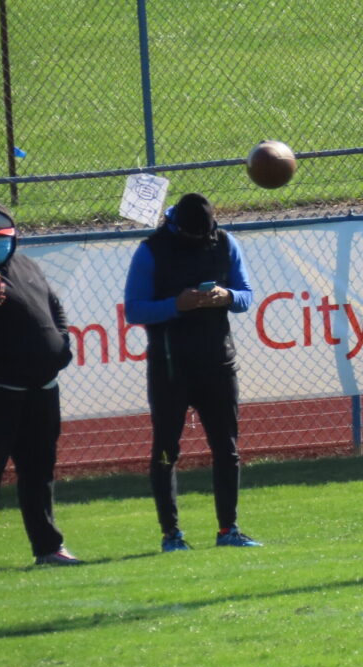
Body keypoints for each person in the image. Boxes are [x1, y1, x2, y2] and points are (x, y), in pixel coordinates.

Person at [124, 193, 260, 551]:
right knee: (166, 451)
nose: (200, 239)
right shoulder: (151, 250)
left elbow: (246, 295)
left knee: (227, 449)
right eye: (193, 235)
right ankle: (171, 534)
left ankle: (228, 530)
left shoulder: (226, 242)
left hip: (218, 363)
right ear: (177, 227)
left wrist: (226, 297)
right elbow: (134, 310)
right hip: (171, 368)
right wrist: (176, 305)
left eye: (205, 233)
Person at [0, 203, 82, 566]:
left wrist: (62, 344)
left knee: (39, 472)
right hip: (2, 393)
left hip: (43, 390)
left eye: (3, 236)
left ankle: (48, 547)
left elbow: (54, 306)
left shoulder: (27, 266)